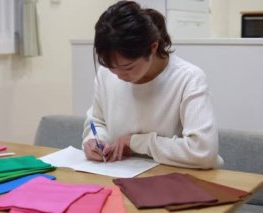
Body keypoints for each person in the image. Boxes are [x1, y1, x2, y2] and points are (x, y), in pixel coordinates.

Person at [82, 1, 223, 169]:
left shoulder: (188, 79)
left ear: (153, 47)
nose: (119, 76)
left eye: (128, 67)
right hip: (123, 174)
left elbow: (203, 152)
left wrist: (136, 142)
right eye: (112, 68)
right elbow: (97, 122)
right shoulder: (106, 75)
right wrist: (94, 140)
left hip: (181, 180)